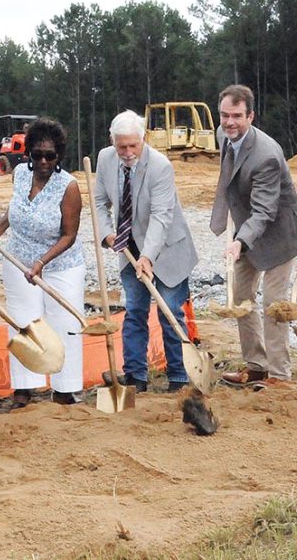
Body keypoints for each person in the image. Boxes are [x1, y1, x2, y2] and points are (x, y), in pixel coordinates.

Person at [93, 110, 199, 392]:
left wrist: (147, 256)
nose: (127, 152)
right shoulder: (105, 159)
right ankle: (136, 377)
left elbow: (161, 216)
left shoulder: (161, 166)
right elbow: (100, 202)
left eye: (133, 146)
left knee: (170, 311)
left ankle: (178, 377)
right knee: (135, 310)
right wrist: (107, 233)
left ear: (143, 139)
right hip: (128, 246)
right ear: (113, 142)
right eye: (121, 146)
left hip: (167, 247)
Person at [212, 85, 297, 388]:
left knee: (274, 305)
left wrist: (240, 241)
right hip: (246, 228)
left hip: (279, 233)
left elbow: (265, 211)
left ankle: (279, 375)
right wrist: (236, 235)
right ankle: (256, 366)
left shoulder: (266, 155)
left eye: (237, 116)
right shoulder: (221, 135)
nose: (230, 123)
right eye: (225, 115)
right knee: (240, 297)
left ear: (251, 115)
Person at [0, 117, 84, 408]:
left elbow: (69, 234)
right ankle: (25, 387)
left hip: (60, 265)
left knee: (63, 323)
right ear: (28, 153)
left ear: (59, 156)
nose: (43, 161)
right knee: (23, 323)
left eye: (50, 155)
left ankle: (65, 389)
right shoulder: (19, 174)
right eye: (37, 154)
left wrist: (42, 262)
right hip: (18, 261)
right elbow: (17, 210)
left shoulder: (69, 187)